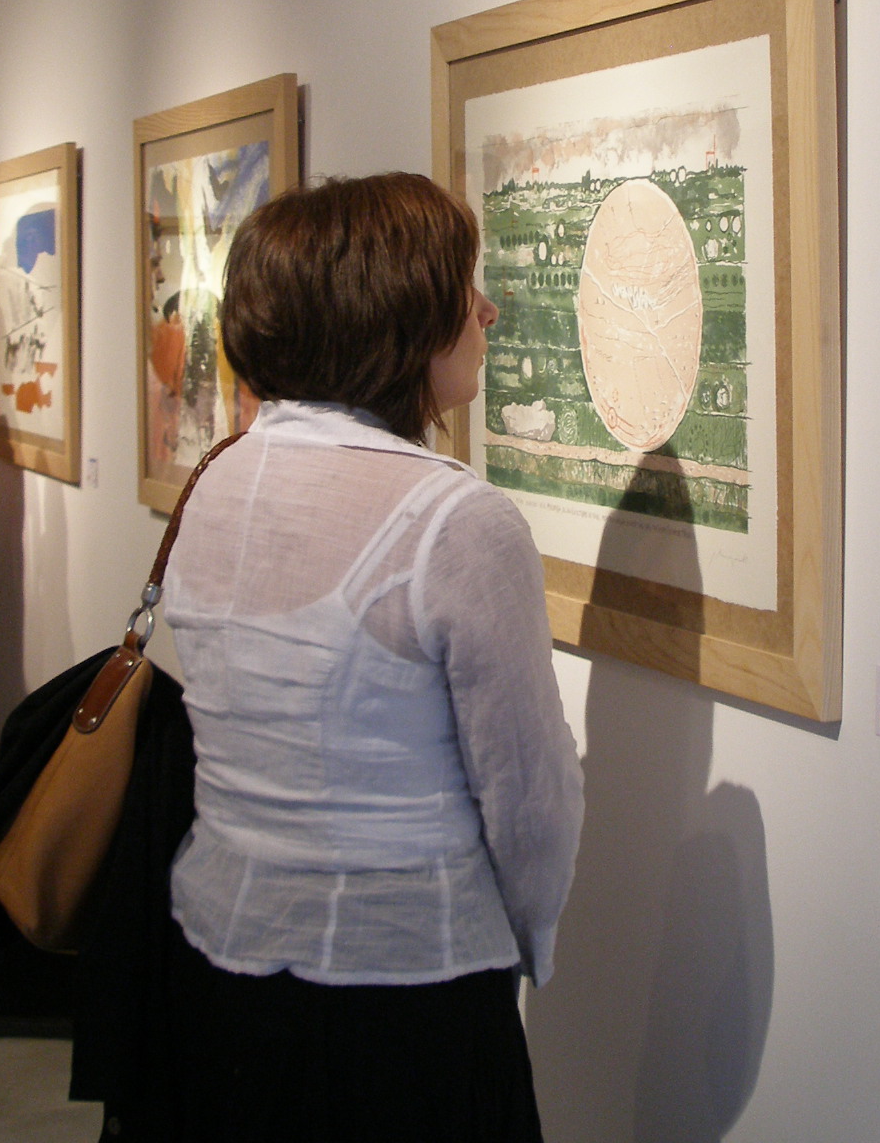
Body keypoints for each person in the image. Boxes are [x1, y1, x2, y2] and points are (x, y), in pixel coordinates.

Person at [157, 172, 584, 1140]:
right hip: (403, 992)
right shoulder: (457, 523)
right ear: (395, 313)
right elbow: (529, 801)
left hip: (217, 961)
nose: (487, 309)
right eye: (462, 286)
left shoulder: (214, 479)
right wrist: (528, 940)